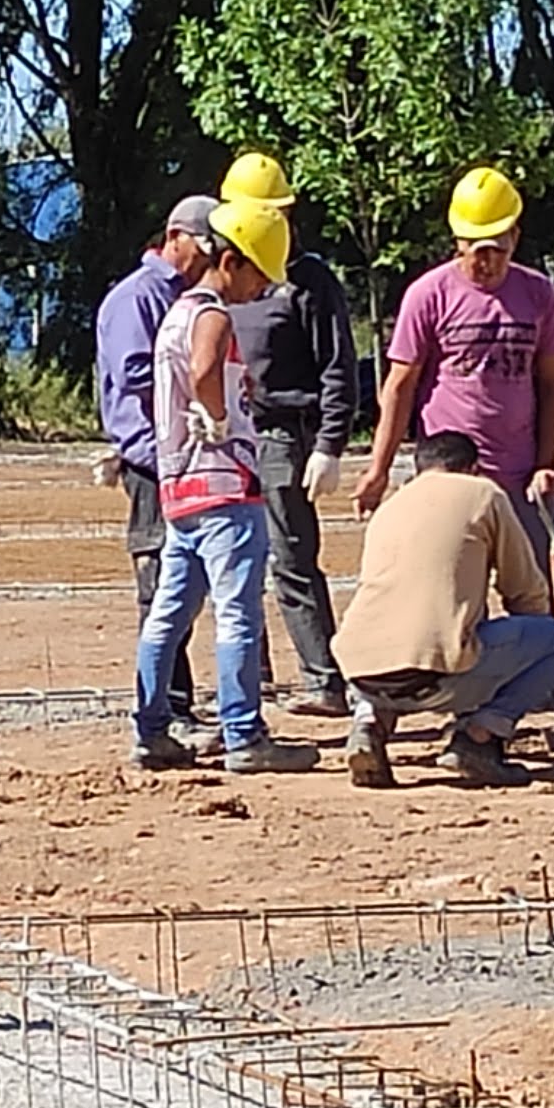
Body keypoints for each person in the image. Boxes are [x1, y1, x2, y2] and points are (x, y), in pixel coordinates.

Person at [356, 165, 554, 731]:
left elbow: (552, 382)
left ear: (515, 238)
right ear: (458, 243)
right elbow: (399, 385)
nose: (485, 260)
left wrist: (547, 462)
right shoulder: (429, 295)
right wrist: (378, 469)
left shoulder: (538, 295)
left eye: (496, 248)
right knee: (436, 586)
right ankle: (384, 715)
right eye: (474, 249)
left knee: (550, 584)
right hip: (448, 476)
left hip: (519, 473)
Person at [133, 200, 323, 775]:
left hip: (182, 490)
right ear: (232, 261)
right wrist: (215, 417)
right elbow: (204, 369)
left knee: (169, 613)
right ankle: (244, 735)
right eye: (259, 274)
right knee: (238, 612)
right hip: (224, 486)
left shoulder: (175, 310)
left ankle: (151, 728)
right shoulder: (210, 313)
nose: (262, 288)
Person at [333, 432, 554, 786]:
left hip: (358, 669)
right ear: (473, 468)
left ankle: (368, 724)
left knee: (396, 646)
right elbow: (523, 591)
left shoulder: (391, 506)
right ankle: (480, 737)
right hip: (434, 674)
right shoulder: (483, 494)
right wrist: (525, 673)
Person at [218, 150, 357, 717]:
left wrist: (328, 445)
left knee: (291, 559)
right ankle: (255, 675)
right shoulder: (222, 283)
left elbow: (338, 366)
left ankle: (324, 679)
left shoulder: (309, 282)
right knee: (234, 558)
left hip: (285, 435)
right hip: (233, 433)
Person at [98, 195, 220, 725]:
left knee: (184, 582)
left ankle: (176, 705)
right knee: (160, 587)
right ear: (176, 237)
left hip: (179, 456)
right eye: (205, 248)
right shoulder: (138, 297)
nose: (210, 261)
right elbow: (133, 374)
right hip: (152, 460)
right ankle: (163, 709)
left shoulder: (183, 296)